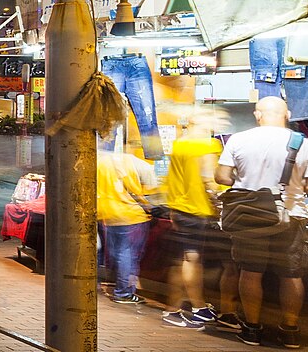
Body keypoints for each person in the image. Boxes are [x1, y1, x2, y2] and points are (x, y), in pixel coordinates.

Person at [217, 97, 308, 347]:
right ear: (287, 113)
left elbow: (222, 177)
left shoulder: (238, 139)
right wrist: (295, 185)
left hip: (249, 216)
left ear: (257, 115)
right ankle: (289, 330)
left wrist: (248, 179)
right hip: (290, 216)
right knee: (291, 275)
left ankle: (253, 329)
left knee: (251, 273)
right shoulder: (304, 144)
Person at [161, 108, 228, 329]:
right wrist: (220, 201)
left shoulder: (180, 144)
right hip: (196, 209)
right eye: (215, 119)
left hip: (178, 207)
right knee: (192, 260)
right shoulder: (207, 145)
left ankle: (173, 309)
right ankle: (198, 308)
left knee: (181, 261)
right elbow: (209, 178)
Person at [95, 139, 160, 305]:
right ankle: (123, 292)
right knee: (129, 255)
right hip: (132, 216)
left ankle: (113, 283)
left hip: (108, 215)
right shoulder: (142, 166)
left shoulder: (102, 163)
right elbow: (152, 196)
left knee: (117, 253)